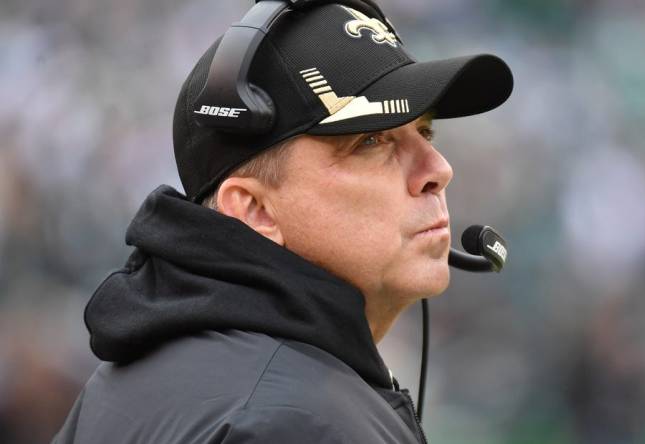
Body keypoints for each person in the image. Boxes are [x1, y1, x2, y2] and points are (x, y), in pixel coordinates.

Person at [52, 0, 513, 442]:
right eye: (371, 140)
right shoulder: (301, 423)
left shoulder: (122, 383)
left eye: (425, 131)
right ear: (253, 209)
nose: (438, 169)